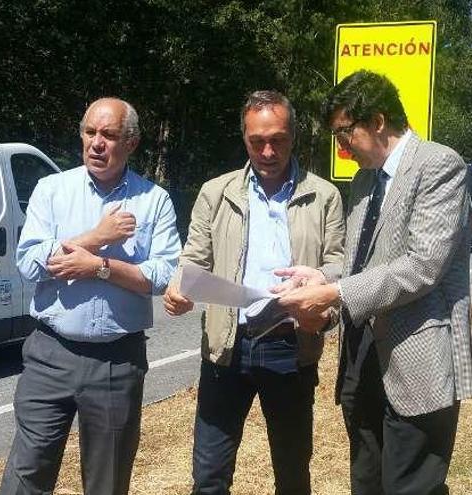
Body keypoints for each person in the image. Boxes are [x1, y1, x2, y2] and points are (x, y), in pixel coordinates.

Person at [275, 70, 472, 495]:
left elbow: (422, 266)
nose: (340, 145)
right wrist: (319, 276)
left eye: (344, 131)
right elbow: (359, 264)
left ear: (379, 121)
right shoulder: (366, 179)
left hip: (418, 357)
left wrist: (335, 292)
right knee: (366, 481)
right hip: (362, 357)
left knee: (411, 486)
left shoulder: (439, 165)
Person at [162, 90, 345, 495]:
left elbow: (338, 265)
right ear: (244, 137)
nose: (267, 150)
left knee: (292, 472)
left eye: (277, 139)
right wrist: (179, 286)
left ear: (293, 136)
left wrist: (317, 296)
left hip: (290, 346)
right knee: (209, 475)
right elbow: (192, 258)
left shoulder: (323, 195)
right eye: (256, 141)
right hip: (227, 346)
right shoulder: (216, 192)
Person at [0, 97, 181, 494]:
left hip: (116, 361)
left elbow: (164, 274)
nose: (97, 143)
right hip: (50, 354)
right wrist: (96, 239)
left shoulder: (154, 201)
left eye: (110, 135)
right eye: (90, 132)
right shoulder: (52, 190)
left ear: (131, 142)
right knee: (26, 475)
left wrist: (99, 267)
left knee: (107, 481)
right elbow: (28, 264)